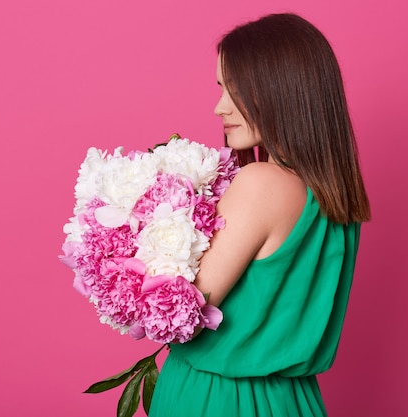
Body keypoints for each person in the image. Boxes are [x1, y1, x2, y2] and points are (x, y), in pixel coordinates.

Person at [149, 13, 370, 416]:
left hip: (218, 397)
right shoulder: (338, 196)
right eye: (221, 89)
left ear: (280, 89)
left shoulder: (260, 183)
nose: (219, 107)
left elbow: (183, 310)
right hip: (294, 399)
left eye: (235, 90)